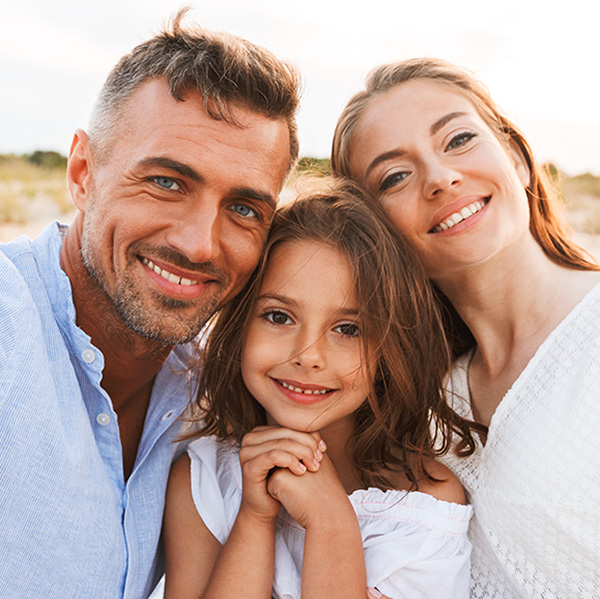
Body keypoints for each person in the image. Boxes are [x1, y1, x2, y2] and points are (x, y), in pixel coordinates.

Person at [0, 10, 300, 599]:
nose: (197, 243)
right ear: (83, 172)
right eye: (166, 181)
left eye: (243, 209)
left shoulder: (218, 393)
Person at [331, 57, 600, 598]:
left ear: (518, 159)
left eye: (457, 139)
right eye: (395, 176)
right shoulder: (411, 404)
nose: (440, 178)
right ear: (375, 233)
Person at [157, 180, 476, 599]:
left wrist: (330, 521)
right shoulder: (203, 480)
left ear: (388, 350)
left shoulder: (420, 506)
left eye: (348, 329)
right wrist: (255, 517)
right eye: (278, 316)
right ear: (238, 325)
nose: (309, 356)